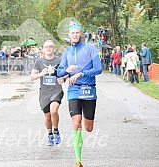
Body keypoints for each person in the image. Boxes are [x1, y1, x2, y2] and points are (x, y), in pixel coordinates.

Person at [57, 21, 102, 167]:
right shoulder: (67, 51)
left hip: (89, 89)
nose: (75, 35)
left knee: (88, 128)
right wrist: (67, 71)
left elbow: (98, 69)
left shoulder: (90, 48)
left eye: (77, 32)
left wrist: (81, 73)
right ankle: (78, 161)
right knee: (76, 123)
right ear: (69, 35)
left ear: (81, 34)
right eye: (72, 33)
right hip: (74, 90)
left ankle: (86, 124)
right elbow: (59, 72)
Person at [30, 40, 66, 146]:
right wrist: (41, 74)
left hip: (56, 90)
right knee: (47, 115)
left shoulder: (59, 61)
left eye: (51, 46)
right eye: (47, 47)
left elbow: (66, 72)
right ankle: (50, 134)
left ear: (54, 49)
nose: (49, 48)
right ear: (43, 49)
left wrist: (63, 78)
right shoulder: (39, 62)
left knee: (53, 111)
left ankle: (56, 131)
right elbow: (32, 77)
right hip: (44, 92)